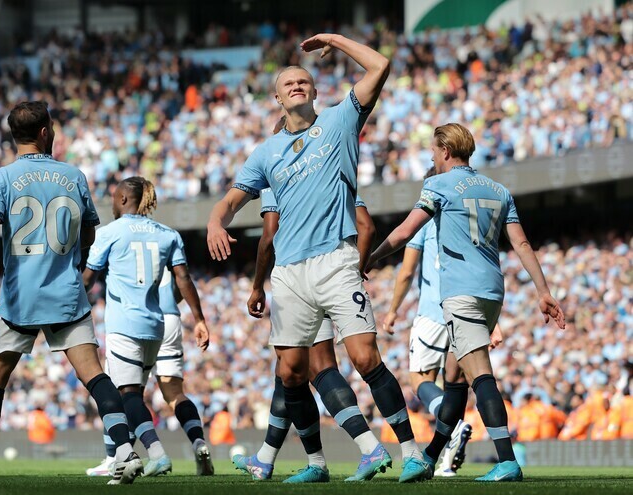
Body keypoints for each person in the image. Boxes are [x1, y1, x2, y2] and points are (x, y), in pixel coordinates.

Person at [208, 34, 429, 483]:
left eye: (303, 80)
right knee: (292, 371)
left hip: (335, 259)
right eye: (288, 82)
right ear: (277, 96)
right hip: (289, 274)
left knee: (365, 358)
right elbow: (230, 202)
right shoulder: (265, 153)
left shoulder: (339, 119)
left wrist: (334, 40)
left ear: (313, 91)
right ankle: (328, 461)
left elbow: (380, 66)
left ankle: (412, 452)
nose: (296, 85)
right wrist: (216, 222)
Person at [368, 123, 565, 482]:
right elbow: (521, 244)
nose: (430, 155)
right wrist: (543, 291)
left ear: (445, 151)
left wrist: (370, 259)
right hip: (492, 291)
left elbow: (404, 232)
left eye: (432, 149)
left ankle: (507, 460)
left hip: (461, 295)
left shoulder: (438, 184)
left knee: (480, 374)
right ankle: (429, 458)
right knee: (455, 377)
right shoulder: (499, 189)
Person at [0, 101, 142, 485]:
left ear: (13, 135)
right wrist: (80, 266)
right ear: (46, 132)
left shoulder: (0, 178)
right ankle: (126, 451)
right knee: (96, 377)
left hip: (19, 299)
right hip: (66, 294)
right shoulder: (74, 175)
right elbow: (88, 232)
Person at [234, 184, 390, 482]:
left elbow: (269, 234)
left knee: (310, 367)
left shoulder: (276, 171)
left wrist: (257, 285)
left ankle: (348, 453)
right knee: (289, 370)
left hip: (297, 276)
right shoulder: (327, 165)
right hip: (333, 270)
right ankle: (266, 457)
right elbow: (365, 225)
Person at [83, 176, 210, 477]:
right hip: (157, 324)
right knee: (136, 395)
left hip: (124, 324)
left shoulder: (110, 232)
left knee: (125, 395)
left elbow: (88, 278)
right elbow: (183, 278)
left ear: (125, 199)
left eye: (114, 197)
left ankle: (155, 453)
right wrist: (200, 318)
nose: (111, 202)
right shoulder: (168, 234)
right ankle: (122, 458)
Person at [383, 167, 504, 477]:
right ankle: (444, 460)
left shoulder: (426, 219)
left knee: (420, 380)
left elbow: (407, 271)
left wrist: (393, 310)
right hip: (470, 306)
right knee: (456, 383)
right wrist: (493, 322)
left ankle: (453, 431)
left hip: (433, 312)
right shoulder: (465, 217)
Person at [86, 267, 214, 477]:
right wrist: (194, 316)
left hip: (134, 318)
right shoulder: (166, 238)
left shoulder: (118, 236)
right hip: (169, 317)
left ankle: (118, 457)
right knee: (174, 393)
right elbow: (183, 278)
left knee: (125, 391)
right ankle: (198, 442)